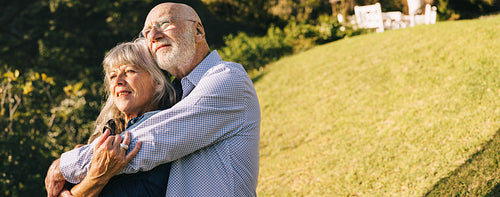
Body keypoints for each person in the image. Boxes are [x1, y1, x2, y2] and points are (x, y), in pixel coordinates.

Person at [46, 2, 261, 196]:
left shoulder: (228, 78)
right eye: (147, 31)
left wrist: (65, 166)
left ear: (198, 30)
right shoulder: (178, 97)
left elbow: (156, 139)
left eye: (164, 23)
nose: (153, 35)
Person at [46, 38, 177, 197]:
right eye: (113, 75)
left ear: (157, 82)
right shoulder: (105, 136)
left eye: (130, 71)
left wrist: (75, 175)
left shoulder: (168, 130)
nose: (118, 81)